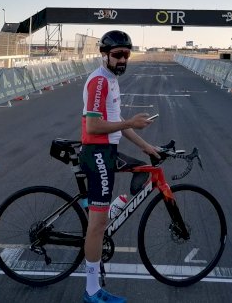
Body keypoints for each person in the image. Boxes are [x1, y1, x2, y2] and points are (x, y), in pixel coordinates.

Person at [79, 30, 160, 303]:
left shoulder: (111, 80)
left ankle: (102, 209)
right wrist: (129, 124)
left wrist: (147, 147)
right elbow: (94, 126)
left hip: (107, 150)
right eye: (117, 55)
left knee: (142, 171)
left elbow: (118, 121)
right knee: (99, 225)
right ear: (104, 55)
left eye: (127, 54)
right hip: (97, 152)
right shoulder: (100, 81)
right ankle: (92, 291)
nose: (123, 59)